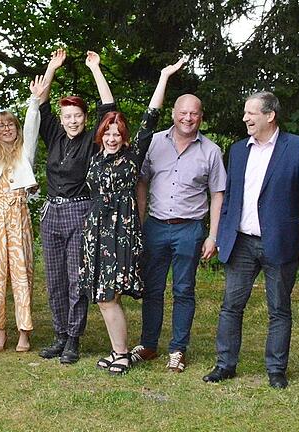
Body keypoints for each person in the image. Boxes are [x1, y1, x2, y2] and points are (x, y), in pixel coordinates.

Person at [203, 91, 299, 389]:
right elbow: (230, 197)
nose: (245, 118)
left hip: (281, 242)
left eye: (251, 113)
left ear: (270, 115)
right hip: (241, 242)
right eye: (245, 113)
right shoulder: (238, 150)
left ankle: (276, 371)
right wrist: (220, 234)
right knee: (231, 306)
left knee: (279, 308)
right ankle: (225, 364)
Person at [84, 56, 185, 375]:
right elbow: (106, 104)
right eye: (108, 132)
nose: (112, 137)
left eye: (117, 133)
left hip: (121, 233)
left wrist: (164, 77)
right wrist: (96, 69)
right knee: (102, 296)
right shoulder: (96, 155)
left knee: (108, 295)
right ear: (102, 134)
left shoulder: (132, 154)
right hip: (96, 230)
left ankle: (122, 353)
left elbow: (151, 115)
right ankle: (119, 352)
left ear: (124, 136)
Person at [131, 94, 226, 372]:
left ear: (201, 116)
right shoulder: (155, 143)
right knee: (152, 288)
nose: (188, 118)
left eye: (194, 114)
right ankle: (148, 344)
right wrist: (139, 223)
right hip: (156, 226)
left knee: (184, 290)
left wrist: (213, 235)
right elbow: (142, 184)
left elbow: (217, 194)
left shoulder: (211, 151)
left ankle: (177, 349)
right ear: (173, 113)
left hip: (190, 229)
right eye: (183, 113)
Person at [35, 49, 116, 364]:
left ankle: (73, 339)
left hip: (80, 212)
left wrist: (95, 68)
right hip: (51, 212)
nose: (72, 121)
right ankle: (58, 335)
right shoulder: (54, 134)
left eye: (77, 116)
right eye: (67, 115)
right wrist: (52, 66)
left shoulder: (92, 140)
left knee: (75, 278)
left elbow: (109, 108)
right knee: (54, 278)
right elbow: (41, 101)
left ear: (84, 119)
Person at [0, 74, 40, 352]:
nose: (5, 129)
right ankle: (0, 331)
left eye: (10, 124)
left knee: (22, 272)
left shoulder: (25, 153)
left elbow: (32, 128)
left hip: (18, 213)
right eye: (1, 125)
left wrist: (35, 102)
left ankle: (24, 332)